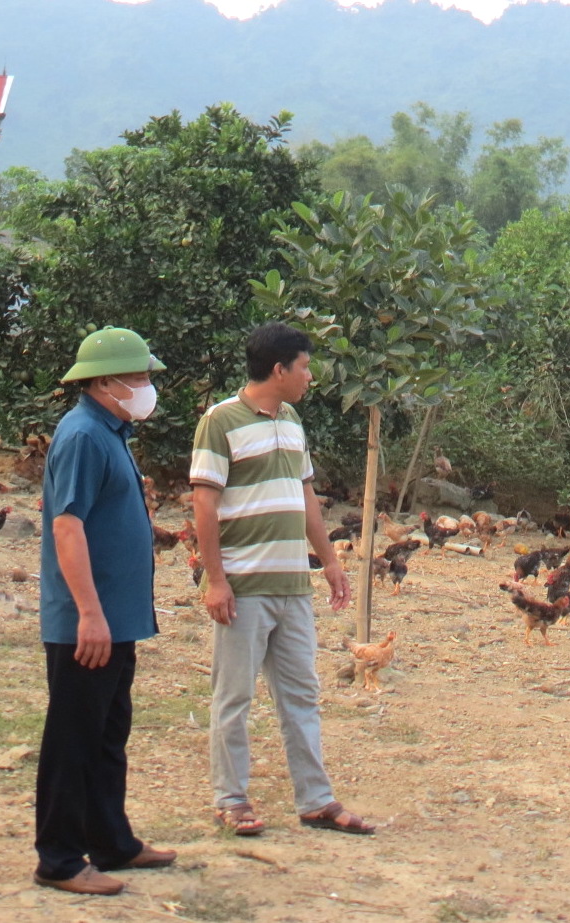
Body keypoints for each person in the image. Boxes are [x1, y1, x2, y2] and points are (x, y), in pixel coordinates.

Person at [190, 322, 375, 837]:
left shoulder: (292, 420)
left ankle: (316, 801)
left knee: (301, 694)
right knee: (234, 697)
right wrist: (216, 581)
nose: (310, 376)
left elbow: (306, 497)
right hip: (244, 587)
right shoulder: (219, 422)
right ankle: (231, 799)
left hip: (293, 585)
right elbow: (204, 503)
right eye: (305, 366)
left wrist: (330, 562)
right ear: (279, 369)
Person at [33, 327, 177, 895]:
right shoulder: (83, 437)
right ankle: (60, 859)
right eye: (138, 378)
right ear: (104, 382)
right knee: (73, 737)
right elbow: (67, 528)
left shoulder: (111, 432)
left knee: (108, 732)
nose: (146, 387)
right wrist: (88, 614)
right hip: (88, 622)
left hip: (116, 619)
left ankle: (111, 841)